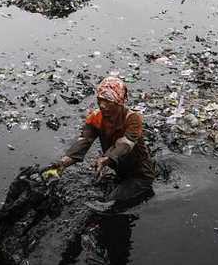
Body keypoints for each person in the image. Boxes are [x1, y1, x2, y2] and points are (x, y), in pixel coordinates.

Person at [50, 76, 155, 212]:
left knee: (109, 204)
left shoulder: (132, 119)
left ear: (119, 102)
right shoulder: (95, 118)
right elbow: (84, 141)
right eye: (100, 99)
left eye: (108, 101)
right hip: (120, 170)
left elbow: (126, 144)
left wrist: (106, 159)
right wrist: (63, 163)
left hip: (140, 175)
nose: (102, 105)